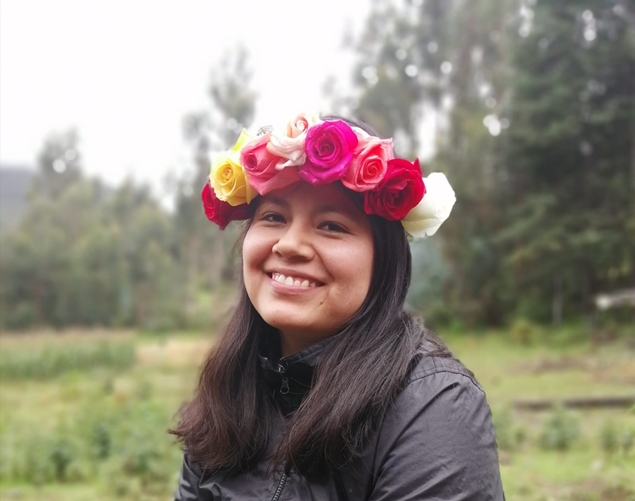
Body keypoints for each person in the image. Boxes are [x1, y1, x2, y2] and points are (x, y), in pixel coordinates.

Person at [171, 113, 505, 500]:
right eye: (273, 217)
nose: (289, 245)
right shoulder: (230, 390)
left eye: (331, 225)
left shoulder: (433, 405)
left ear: (384, 259)